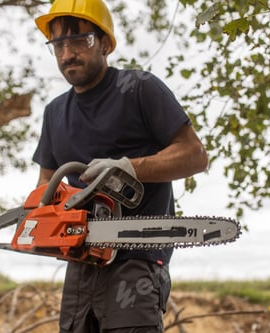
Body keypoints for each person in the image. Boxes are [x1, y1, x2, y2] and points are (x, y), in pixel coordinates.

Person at [32, 0, 208, 332]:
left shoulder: (140, 88)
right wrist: (52, 221)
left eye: (78, 41)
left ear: (105, 43)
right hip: (80, 263)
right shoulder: (54, 112)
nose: (67, 53)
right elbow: (46, 185)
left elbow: (195, 154)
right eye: (58, 44)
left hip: (136, 262)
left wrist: (128, 167)